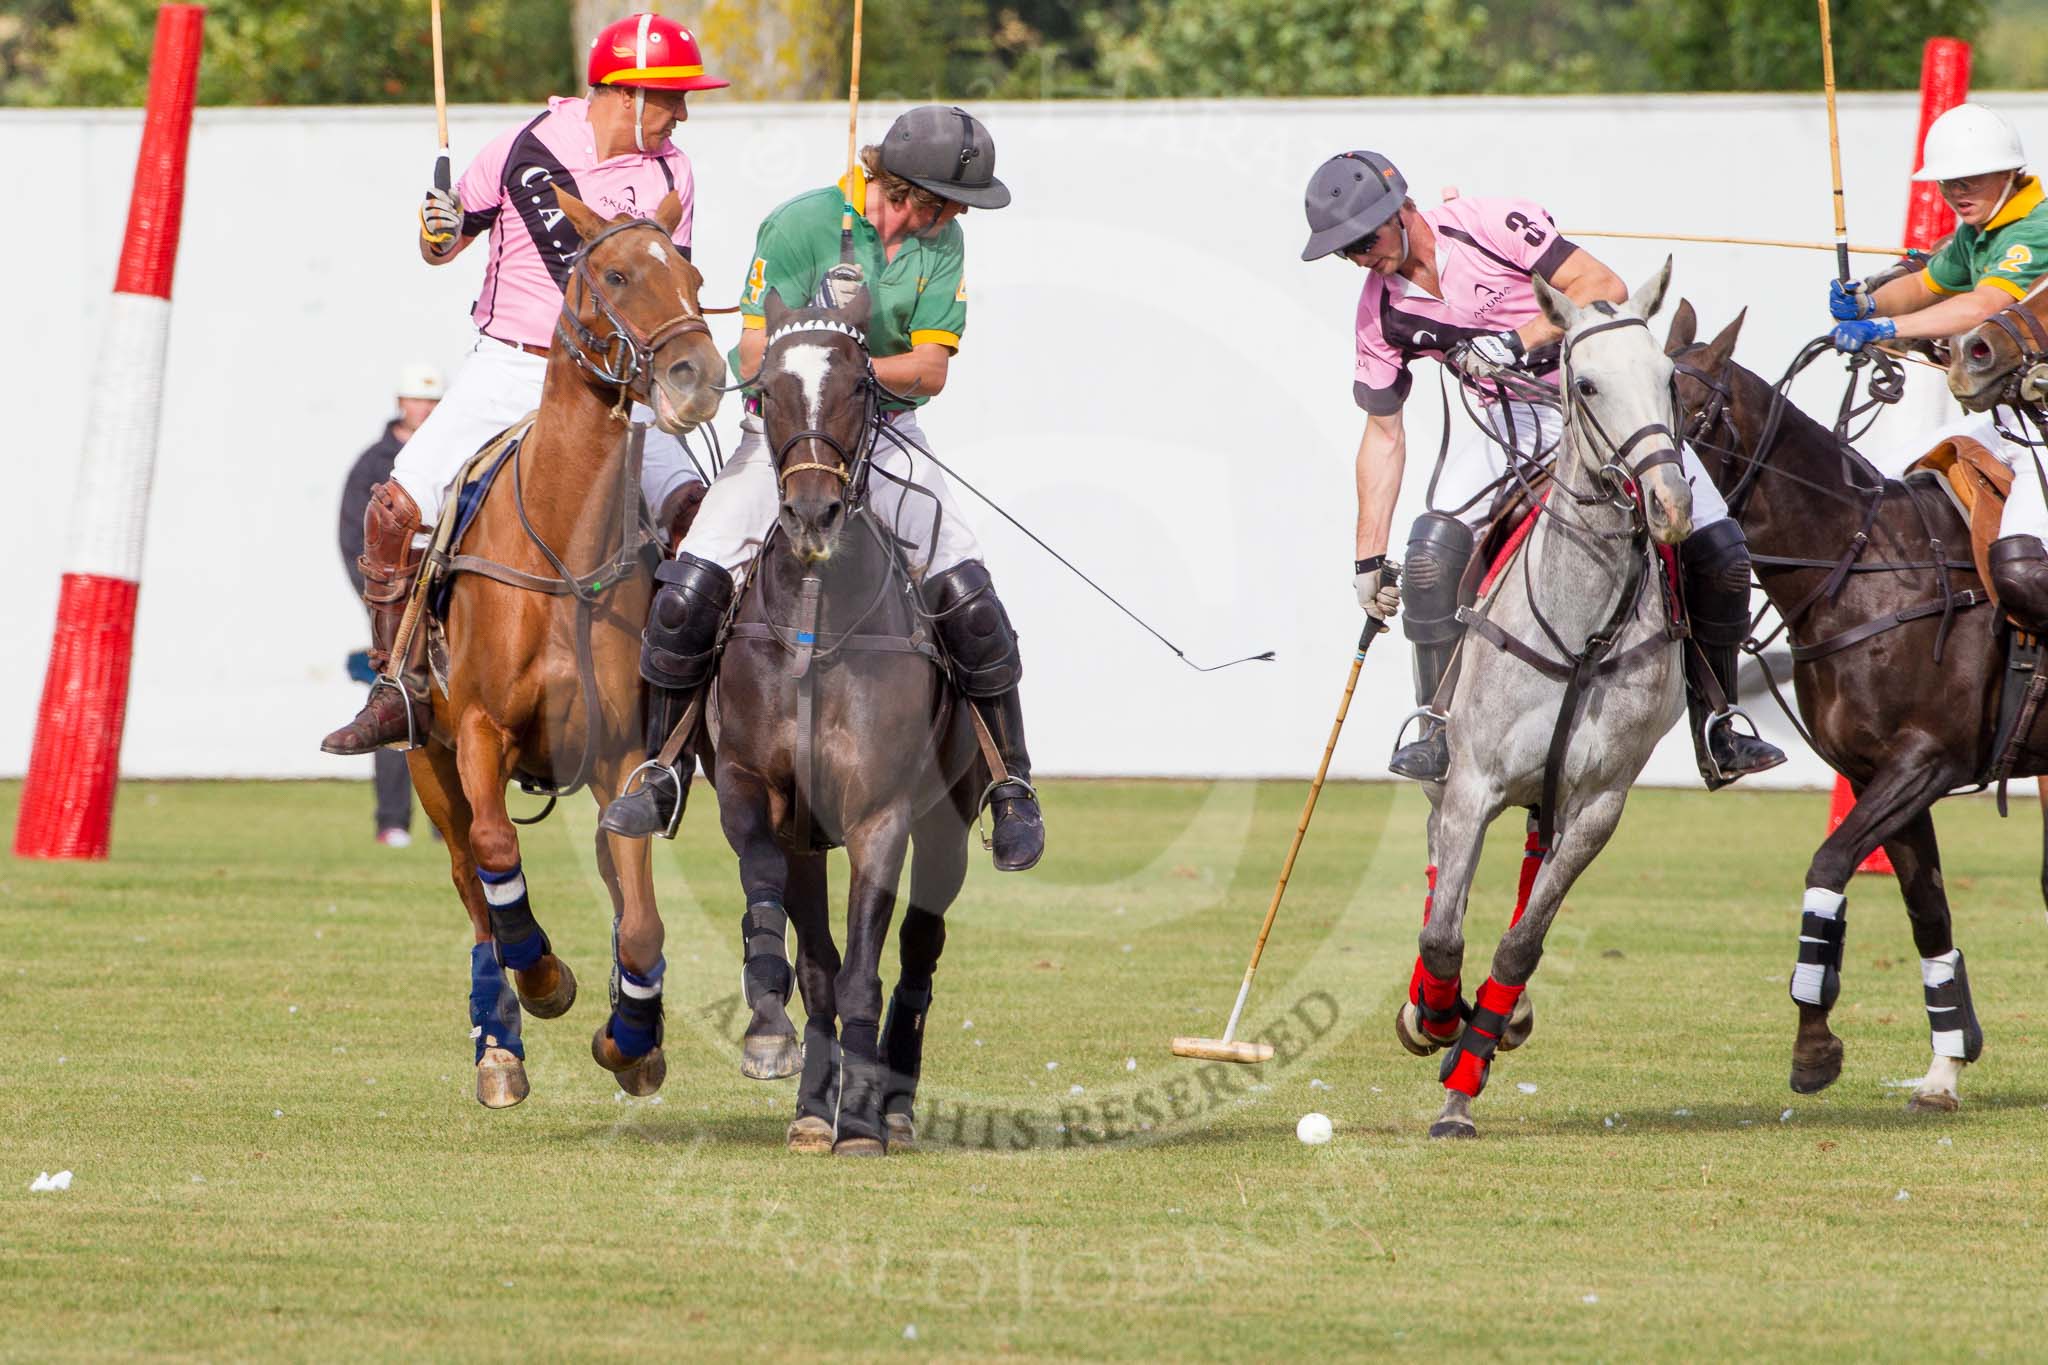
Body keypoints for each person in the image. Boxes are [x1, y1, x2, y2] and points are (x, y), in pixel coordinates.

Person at [598, 106, 1046, 873]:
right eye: (950, 202)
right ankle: (663, 768)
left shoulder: (942, 244)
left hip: (887, 431)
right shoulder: (801, 224)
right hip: (782, 434)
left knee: (970, 593)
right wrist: (818, 360)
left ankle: (1011, 783)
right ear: (908, 191)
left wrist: (847, 366)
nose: (958, 216)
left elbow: (930, 369)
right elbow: (751, 351)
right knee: (687, 588)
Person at [1300, 150, 1785, 789]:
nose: (1360, 257)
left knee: (1719, 547)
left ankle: (1718, 722)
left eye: (1365, 240)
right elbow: (1383, 435)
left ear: (1402, 210)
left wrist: (1513, 341)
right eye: (1345, 251)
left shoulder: (1488, 223)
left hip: (1599, 401)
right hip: (1508, 422)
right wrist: (1367, 558)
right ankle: (1434, 726)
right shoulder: (1379, 312)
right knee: (1429, 552)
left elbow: (1602, 285)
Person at [320, 12, 723, 757]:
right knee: (395, 509)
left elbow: (667, 288)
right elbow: (444, 246)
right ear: (626, 93)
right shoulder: (522, 147)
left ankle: (685, 699)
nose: (682, 114)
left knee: (696, 514)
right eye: (672, 97)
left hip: (613, 382)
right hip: (512, 366)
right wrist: (436, 230)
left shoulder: (674, 172)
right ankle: (398, 687)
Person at [1827, 102, 2048, 628]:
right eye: (1948, 182)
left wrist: (1886, 328)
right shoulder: (1979, 229)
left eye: (1970, 179)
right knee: (1876, 486)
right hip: (2005, 424)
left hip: (2042, 431)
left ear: (2009, 173)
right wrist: (1867, 301)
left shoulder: (2034, 229)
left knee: (2023, 573)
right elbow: (1928, 285)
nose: (1956, 192)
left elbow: (1982, 307)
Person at [339, 363, 444, 844]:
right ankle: (393, 821)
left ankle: (449, 820)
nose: (424, 409)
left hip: (445, 601)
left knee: (453, 707)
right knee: (393, 701)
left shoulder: (452, 454)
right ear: (401, 403)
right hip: (392, 605)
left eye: (433, 401)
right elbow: (351, 537)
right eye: (418, 399)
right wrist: (378, 601)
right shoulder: (373, 464)